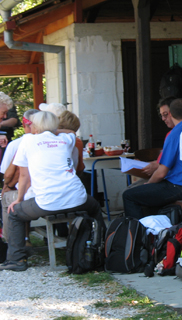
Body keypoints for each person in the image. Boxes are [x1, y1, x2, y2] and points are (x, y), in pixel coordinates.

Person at [0, 111, 104, 271]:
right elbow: (71, 131)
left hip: (47, 202)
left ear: (34, 126)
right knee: (95, 206)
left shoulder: (28, 140)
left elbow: (24, 176)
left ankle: (17, 259)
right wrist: (53, 130)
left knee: (14, 214)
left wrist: (19, 200)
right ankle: (102, 247)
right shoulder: (66, 138)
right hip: (77, 197)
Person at [123, 98, 182, 219]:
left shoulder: (175, 134)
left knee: (128, 195)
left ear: (171, 113)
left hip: (180, 186)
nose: (163, 119)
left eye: (165, 114)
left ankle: (139, 231)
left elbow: (161, 173)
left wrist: (149, 184)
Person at [1, 109, 39, 244]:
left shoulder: (18, 144)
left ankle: (11, 242)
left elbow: (9, 174)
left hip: (33, 194)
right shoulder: (60, 141)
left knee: (8, 198)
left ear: (24, 124)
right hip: (57, 193)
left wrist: (6, 186)